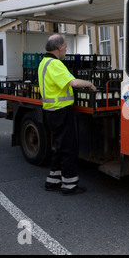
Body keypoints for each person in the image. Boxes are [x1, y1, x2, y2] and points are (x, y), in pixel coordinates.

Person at [38, 34, 96, 195]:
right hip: (60, 111)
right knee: (68, 148)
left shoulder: (44, 62)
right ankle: (69, 185)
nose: (66, 49)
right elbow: (74, 82)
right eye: (65, 46)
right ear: (59, 47)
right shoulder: (55, 64)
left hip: (51, 111)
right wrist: (90, 84)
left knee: (60, 146)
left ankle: (53, 180)